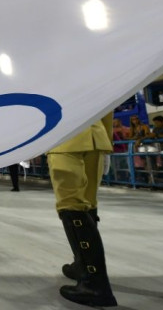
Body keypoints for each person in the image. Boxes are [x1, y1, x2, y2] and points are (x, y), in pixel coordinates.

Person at [46, 112, 117, 307]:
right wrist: (106, 144)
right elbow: (108, 102)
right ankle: (82, 265)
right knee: (88, 204)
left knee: (72, 205)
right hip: (96, 137)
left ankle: (94, 285)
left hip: (63, 136)